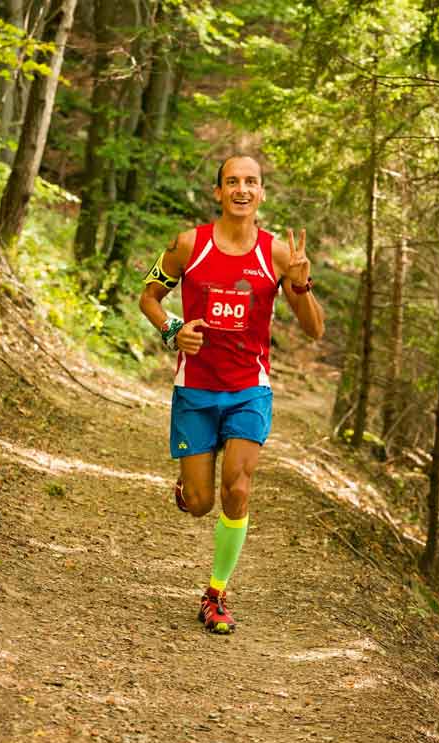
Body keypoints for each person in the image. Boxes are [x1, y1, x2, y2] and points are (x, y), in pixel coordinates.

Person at [139, 154, 324, 634]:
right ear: (218, 192)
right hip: (196, 390)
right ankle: (188, 489)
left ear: (261, 193)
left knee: (237, 489)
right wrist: (173, 330)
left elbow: (315, 330)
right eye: (232, 182)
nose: (242, 189)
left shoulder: (278, 254)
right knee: (201, 502)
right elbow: (148, 297)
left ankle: (215, 593)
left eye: (252, 182)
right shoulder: (188, 245)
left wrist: (301, 286)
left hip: (248, 390)